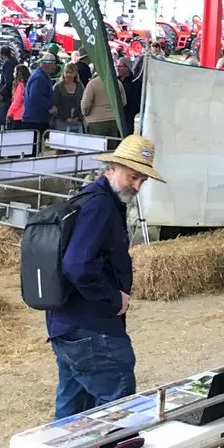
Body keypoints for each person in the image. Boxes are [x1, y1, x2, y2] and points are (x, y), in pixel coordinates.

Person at [47, 135, 165, 419]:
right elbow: (78, 265)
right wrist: (114, 299)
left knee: (73, 415)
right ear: (113, 167)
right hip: (93, 330)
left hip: (67, 325)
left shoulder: (92, 198)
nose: (136, 186)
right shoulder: (100, 205)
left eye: (142, 181)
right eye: (133, 176)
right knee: (118, 410)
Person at [23, 53, 57, 148]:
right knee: (34, 149)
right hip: (35, 120)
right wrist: (50, 106)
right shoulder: (40, 78)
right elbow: (35, 96)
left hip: (35, 118)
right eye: (53, 64)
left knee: (34, 148)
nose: (55, 67)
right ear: (47, 64)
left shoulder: (40, 76)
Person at [82, 69, 126, 138]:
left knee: (96, 146)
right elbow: (123, 102)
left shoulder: (92, 83)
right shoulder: (117, 83)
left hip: (96, 120)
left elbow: (85, 104)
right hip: (113, 120)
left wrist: (85, 113)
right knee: (110, 147)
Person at [52, 62, 86, 134]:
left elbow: (83, 103)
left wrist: (78, 117)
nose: (68, 75)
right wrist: (66, 118)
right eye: (66, 72)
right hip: (61, 123)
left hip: (76, 123)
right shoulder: (58, 87)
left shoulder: (80, 87)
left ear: (75, 73)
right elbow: (55, 104)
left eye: (71, 72)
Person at [0, 46, 17, 131]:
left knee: (2, 118)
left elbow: (8, 81)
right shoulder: (14, 61)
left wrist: (2, 92)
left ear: (1, 54)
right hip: (12, 93)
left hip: (6, 95)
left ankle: (0, 130)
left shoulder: (7, 63)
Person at [7, 65, 30, 130]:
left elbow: (17, 101)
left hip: (18, 116)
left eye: (14, 71)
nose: (13, 73)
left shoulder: (20, 86)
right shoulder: (28, 85)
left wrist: (9, 113)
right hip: (26, 115)